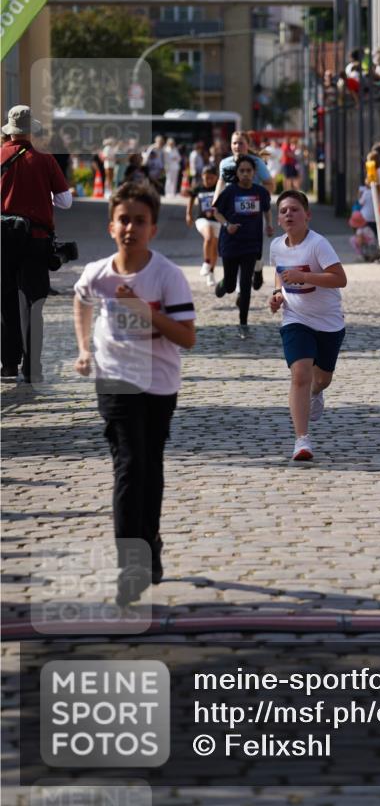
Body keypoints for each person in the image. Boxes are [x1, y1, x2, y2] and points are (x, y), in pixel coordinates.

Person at [73, 181, 196, 605]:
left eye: (139, 221)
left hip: (159, 381)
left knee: (150, 463)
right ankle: (132, 564)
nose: (131, 228)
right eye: (124, 220)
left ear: (153, 229)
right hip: (115, 379)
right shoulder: (98, 273)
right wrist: (85, 347)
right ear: (111, 227)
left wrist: (144, 314)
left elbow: (187, 337)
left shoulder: (167, 276)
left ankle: (151, 539)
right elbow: (81, 298)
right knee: (128, 464)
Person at [269, 190, 347, 462]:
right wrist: (277, 294)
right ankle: (302, 440)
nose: (288, 214)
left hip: (328, 322)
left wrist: (304, 275)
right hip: (295, 319)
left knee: (321, 379)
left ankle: (316, 391)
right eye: (283, 211)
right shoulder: (276, 246)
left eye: (294, 209)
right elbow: (279, 275)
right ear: (278, 219)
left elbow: (340, 278)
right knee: (300, 373)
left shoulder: (318, 244)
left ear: (307, 215)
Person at [1, 106, 72, 383]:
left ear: (9, 130)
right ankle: (32, 367)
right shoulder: (45, 160)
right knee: (34, 303)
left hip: (2, 239)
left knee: (5, 301)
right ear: (31, 131)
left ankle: (8, 363)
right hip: (36, 239)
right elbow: (65, 202)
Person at [213, 155, 273, 338]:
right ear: (237, 173)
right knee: (231, 286)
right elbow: (216, 211)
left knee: (245, 285)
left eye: (249, 171)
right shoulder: (230, 192)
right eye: (242, 171)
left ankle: (243, 324)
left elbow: (266, 209)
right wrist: (227, 225)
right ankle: (223, 284)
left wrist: (269, 225)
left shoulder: (260, 192)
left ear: (254, 173)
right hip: (231, 243)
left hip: (251, 243)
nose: (246, 174)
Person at [214, 131, 274, 292]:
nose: (237, 146)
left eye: (241, 143)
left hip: (252, 215)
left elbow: (270, 184)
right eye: (234, 143)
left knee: (254, 253)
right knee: (231, 249)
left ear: (248, 145)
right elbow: (220, 182)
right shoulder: (225, 163)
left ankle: (258, 269)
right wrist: (215, 202)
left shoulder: (256, 163)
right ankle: (231, 283)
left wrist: (257, 197)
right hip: (230, 213)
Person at [186, 164, 220, 288]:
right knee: (208, 237)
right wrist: (188, 214)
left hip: (217, 220)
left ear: (216, 177)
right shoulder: (198, 188)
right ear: (202, 177)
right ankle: (206, 262)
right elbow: (190, 199)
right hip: (202, 219)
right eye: (206, 178)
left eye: (211, 178)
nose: (208, 180)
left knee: (215, 249)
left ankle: (211, 273)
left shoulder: (219, 187)